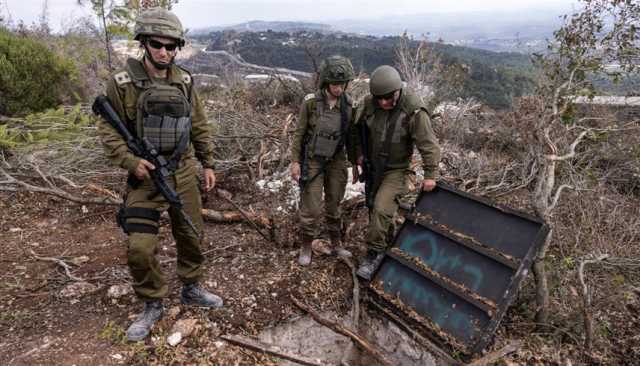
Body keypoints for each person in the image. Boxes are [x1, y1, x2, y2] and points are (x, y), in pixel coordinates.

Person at [97, 7, 222, 342]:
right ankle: (152, 302)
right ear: (144, 43)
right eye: (157, 44)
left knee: (191, 234)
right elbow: (108, 131)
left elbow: (199, 124)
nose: (164, 52)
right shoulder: (122, 85)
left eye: (171, 46)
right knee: (139, 247)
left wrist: (207, 163)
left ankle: (192, 287)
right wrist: (130, 161)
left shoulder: (184, 80)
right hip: (145, 176)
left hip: (182, 171)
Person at [353, 65, 441, 280]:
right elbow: (355, 130)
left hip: (397, 169)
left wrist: (430, 175)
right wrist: (358, 155)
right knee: (374, 206)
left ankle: (374, 254)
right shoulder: (368, 104)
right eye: (379, 98)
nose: (383, 103)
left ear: (397, 92)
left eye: (387, 98)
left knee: (382, 209)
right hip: (373, 166)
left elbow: (429, 145)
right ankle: (388, 240)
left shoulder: (413, 111)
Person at [290, 55, 358, 266]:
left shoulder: (348, 104)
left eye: (342, 84)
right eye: (335, 84)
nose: (339, 88)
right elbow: (299, 134)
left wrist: (355, 163)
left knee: (335, 203)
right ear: (326, 82)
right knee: (311, 207)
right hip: (313, 160)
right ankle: (306, 245)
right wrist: (295, 161)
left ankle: (336, 243)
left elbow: (351, 138)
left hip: (337, 160)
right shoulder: (311, 103)